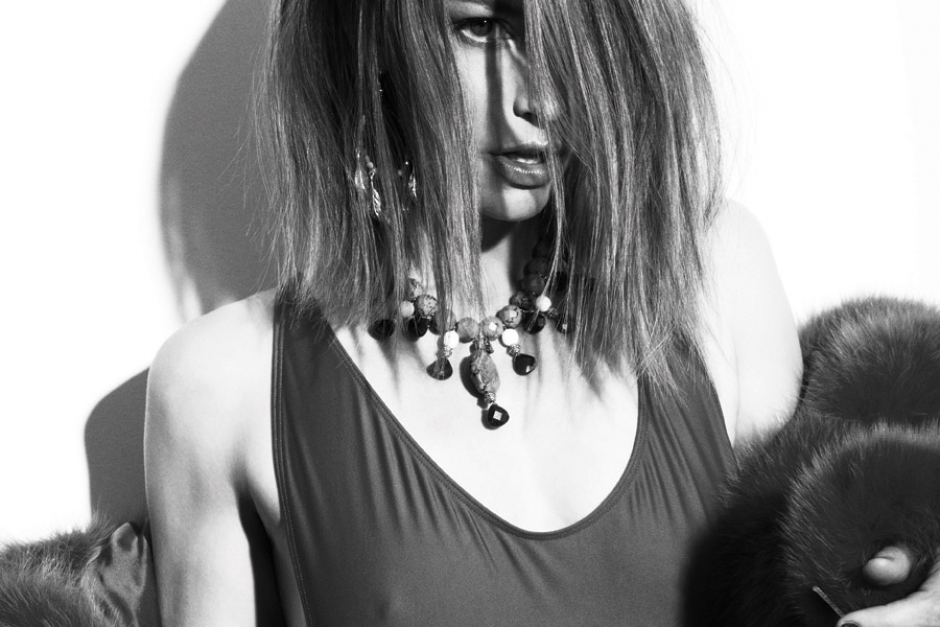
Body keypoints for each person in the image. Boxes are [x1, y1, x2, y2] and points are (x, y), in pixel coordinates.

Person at [142, 1, 940, 625]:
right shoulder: (225, 385)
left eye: (572, 27)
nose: (548, 97)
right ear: (366, 37)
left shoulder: (709, 273)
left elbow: (820, 583)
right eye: (481, 27)